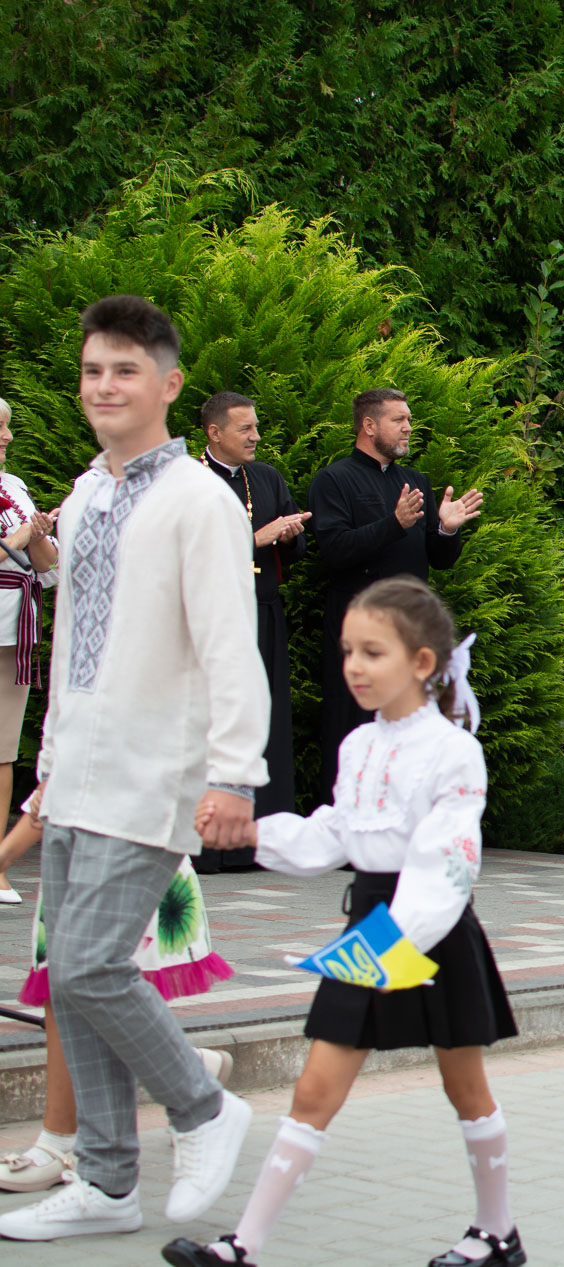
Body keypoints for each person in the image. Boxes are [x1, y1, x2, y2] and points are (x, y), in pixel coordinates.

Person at [0, 296, 263, 1244]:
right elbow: (79, 639)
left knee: (89, 962)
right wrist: (49, 763)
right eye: (92, 371)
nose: (104, 386)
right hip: (76, 772)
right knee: (64, 979)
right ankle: (106, 1185)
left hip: (157, 772)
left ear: (169, 384)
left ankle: (204, 1106)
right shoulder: (89, 491)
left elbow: (232, 646)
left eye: (124, 370)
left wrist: (234, 773)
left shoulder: (198, 499)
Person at [161, 577, 519, 1267]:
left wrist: (389, 946)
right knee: (316, 1085)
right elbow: (334, 834)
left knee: (464, 1085)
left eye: (372, 651)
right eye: (348, 649)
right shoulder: (358, 745)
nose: (353, 664)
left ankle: (497, 1232)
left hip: (430, 931)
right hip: (373, 922)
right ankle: (245, 1244)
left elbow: (446, 868)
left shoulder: (454, 751)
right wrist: (250, 835)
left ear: (421, 662)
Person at [0, 805, 233, 1196]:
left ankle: (66, 1143)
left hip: (135, 843)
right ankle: (188, 1068)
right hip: (74, 847)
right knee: (62, 988)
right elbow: (53, 780)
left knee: (103, 985)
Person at [308, 388, 483, 797]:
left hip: (409, 631)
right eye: (398, 420)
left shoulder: (415, 481)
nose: (408, 428)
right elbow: (333, 551)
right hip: (358, 628)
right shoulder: (333, 480)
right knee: (351, 724)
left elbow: (438, 559)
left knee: (408, 725)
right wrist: (393, 524)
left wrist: (447, 530)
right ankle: (345, 817)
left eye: (409, 419)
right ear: (368, 426)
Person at [194, 392, 309, 870]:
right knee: (210, 724)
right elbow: (187, 552)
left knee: (264, 720)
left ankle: (255, 845)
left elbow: (297, 549)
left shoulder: (265, 478)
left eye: (256, 427)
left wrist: (289, 534)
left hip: (261, 613)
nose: (256, 437)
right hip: (209, 619)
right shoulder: (189, 483)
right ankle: (203, 846)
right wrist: (255, 537)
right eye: (246, 429)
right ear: (215, 433)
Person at [0, 395, 58, 906]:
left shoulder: (13, 486)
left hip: (14, 624)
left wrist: (39, 536)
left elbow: (48, 564)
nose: (8, 437)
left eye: (8, 427)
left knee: (2, 750)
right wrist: (21, 532)